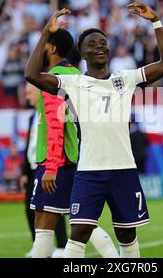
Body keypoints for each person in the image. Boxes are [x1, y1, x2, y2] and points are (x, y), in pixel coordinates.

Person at [25, 2, 163, 258]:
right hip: (89, 171)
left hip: (123, 169)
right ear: (82, 54)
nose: (99, 46)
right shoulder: (73, 83)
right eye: (92, 44)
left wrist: (156, 22)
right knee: (79, 233)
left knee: (127, 235)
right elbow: (32, 74)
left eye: (103, 42)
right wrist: (46, 34)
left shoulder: (125, 79)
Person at [27, 26, 118, 258]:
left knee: (44, 229)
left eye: (44, 44)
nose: (39, 50)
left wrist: (51, 166)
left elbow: (56, 123)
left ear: (53, 48)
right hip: (77, 157)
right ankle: (116, 258)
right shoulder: (79, 75)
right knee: (84, 222)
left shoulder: (53, 78)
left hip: (57, 161)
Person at [20, 82, 69, 258]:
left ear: (38, 93)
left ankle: (63, 246)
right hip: (33, 168)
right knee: (31, 210)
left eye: (29, 93)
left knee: (53, 209)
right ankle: (39, 248)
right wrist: (24, 171)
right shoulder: (32, 117)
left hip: (48, 167)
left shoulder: (48, 113)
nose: (27, 97)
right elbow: (29, 146)